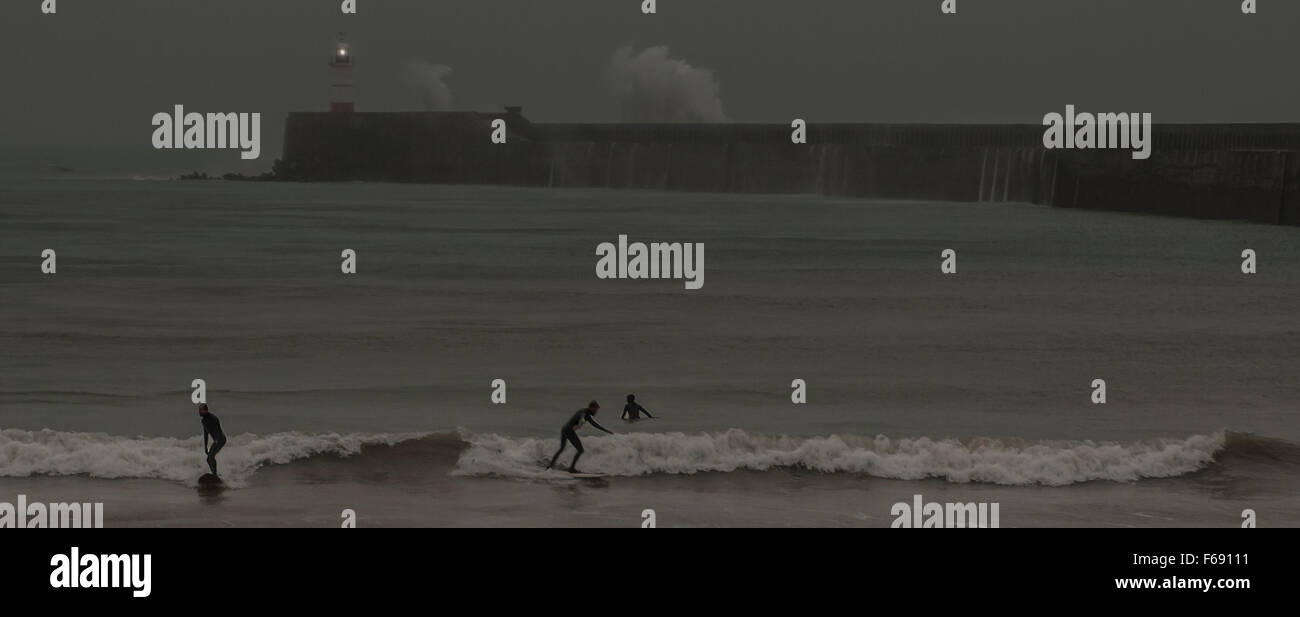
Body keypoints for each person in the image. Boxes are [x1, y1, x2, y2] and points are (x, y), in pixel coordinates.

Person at [546, 400, 612, 473]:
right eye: (595, 409)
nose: (596, 412)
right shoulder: (584, 413)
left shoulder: (587, 414)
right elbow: (582, 419)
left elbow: (594, 424)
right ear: (591, 408)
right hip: (569, 430)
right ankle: (571, 469)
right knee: (580, 450)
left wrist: (606, 430)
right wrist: (579, 425)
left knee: (562, 448)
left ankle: (550, 466)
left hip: (565, 429)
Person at [199, 404, 226, 476]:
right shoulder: (203, 421)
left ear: (206, 410)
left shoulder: (213, 418)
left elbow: (217, 430)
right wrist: (205, 447)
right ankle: (215, 474)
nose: (199, 412)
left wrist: (216, 441)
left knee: (211, 457)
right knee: (208, 459)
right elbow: (206, 434)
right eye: (199, 410)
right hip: (216, 440)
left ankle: (215, 474)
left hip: (220, 439)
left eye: (201, 410)